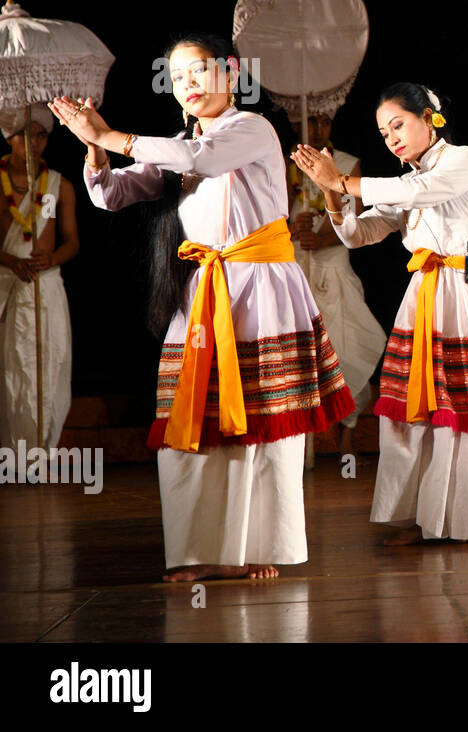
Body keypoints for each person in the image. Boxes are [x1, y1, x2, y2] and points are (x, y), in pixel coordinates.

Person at [52, 32, 354, 581]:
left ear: (232, 72)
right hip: (202, 292)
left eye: (198, 72)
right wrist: (96, 150)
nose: (187, 85)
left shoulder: (251, 129)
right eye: (178, 77)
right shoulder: (173, 143)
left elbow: (198, 158)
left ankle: (263, 547)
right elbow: (113, 194)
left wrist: (113, 133)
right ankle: (201, 552)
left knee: (264, 424)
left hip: (260, 287)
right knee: (192, 420)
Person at [292, 83, 468, 543]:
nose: (391, 137)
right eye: (383, 131)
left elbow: (425, 190)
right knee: (415, 411)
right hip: (428, 295)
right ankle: (422, 517)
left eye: (398, 124)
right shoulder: (404, 181)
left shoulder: (464, 160)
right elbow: (358, 233)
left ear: (430, 118)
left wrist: (343, 183)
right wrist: (332, 196)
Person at [284, 107, 386, 459]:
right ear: (298, 123)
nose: (318, 127)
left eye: (325, 120)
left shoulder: (346, 161)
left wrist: (322, 240)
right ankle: (300, 441)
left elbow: (352, 216)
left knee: (347, 346)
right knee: (298, 355)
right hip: (297, 263)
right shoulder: (287, 162)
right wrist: (294, 231)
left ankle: (347, 432)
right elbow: (277, 213)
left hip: (334, 259)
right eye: (311, 121)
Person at [0, 105, 79, 449]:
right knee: (13, 368)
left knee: (50, 360)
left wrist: (50, 260)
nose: (33, 142)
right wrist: (11, 262)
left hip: (46, 284)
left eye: (41, 134)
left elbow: (72, 242)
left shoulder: (60, 185)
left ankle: (42, 449)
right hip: (8, 282)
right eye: (26, 134)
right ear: (9, 137)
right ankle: (13, 451)